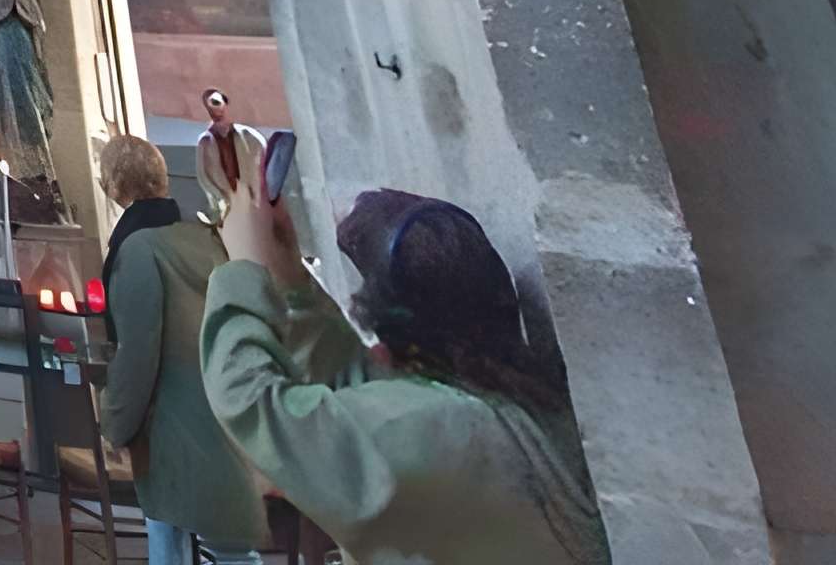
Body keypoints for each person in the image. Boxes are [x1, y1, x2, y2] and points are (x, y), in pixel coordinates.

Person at [198, 136, 613, 565]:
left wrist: (242, 266)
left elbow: (251, 403)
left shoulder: (436, 428)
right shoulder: (498, 400)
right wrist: (287, 275)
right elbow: (359, 383)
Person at [94, 134, 266, 565]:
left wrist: (114, 421)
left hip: (174, 418)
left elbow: (137, 353)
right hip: (225, 406)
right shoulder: (204, 238)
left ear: (115, 187)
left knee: (196, 543)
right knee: (212, 537)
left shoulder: (136, 250)